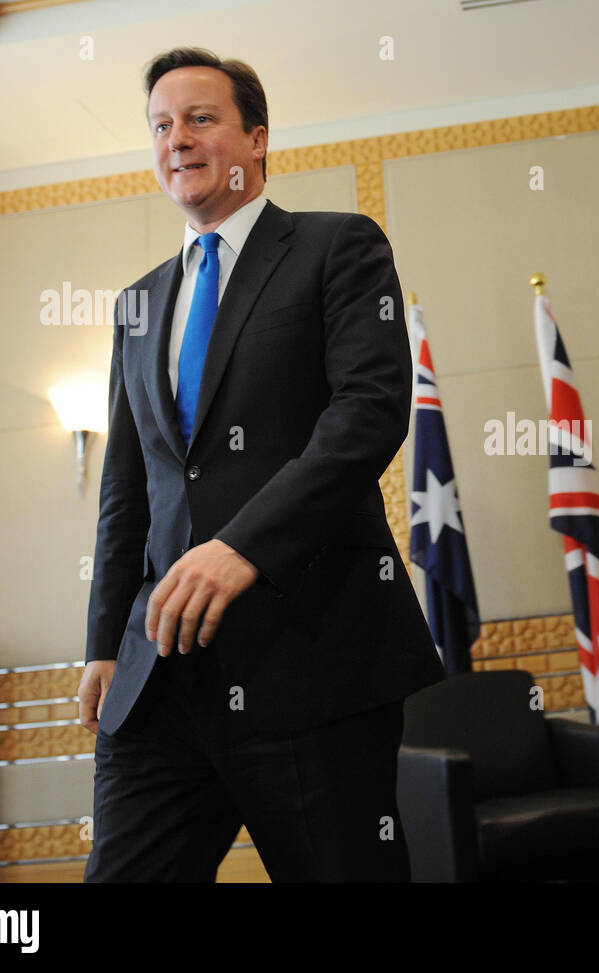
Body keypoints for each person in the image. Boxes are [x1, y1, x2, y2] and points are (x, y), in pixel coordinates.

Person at [76, 47, 444, 882]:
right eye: (161, 126)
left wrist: (243, 546)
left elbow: (368, 413)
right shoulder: (137, 305)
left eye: (201, 118)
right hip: (159, 678)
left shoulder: (336, 248)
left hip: (310, 664)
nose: (178, 139)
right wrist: (104, 642)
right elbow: (125, 489)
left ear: (257, 139)